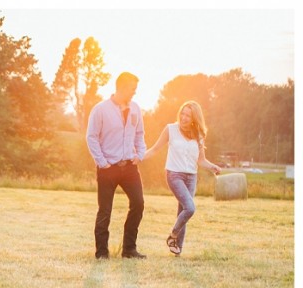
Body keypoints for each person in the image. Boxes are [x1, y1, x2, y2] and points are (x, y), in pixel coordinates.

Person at [143, 101, 222, 255]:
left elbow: (201, 160)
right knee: (190, 208)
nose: (184, 117)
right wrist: (139, 157)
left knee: (183, 211)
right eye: (183, 113)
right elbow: (155, 149)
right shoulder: (170, 129)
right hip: (174, 174)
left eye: (188, 115)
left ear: (194, 118)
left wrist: (213, 167)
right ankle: (172, 236)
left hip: (191, 176)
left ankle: (177, 249)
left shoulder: (198, 135)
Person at [86, 71, 147, 260]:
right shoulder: (100, 109)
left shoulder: (136, 109)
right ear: (121, 88)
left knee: (138, 204)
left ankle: (129, 250)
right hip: (108, 169)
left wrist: (140, 154)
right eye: (132, 89)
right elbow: (91, 137)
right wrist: (102, 162)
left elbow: (139, 134)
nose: (134, 93)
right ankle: (102, 252)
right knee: (105, 210)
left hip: (129, 167)